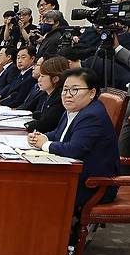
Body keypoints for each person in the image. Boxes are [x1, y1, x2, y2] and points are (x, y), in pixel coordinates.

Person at [28, 68, 118, 211]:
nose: (67, 95)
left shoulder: (92, 115)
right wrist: (42, 137)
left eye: (74, 90)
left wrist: (45, 145)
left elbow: (75, 149)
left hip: (92, 185)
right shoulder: (74, 109)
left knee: (30, 189)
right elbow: (59, 134)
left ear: (92, 93)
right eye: (65, 90)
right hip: (72, 176)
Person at [23, 56, 68, 133]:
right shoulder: (45, 94)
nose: (39, 79)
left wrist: (26, 125)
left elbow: (45, 125)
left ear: (55, 79)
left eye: (42, 76)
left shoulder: (59, 98)